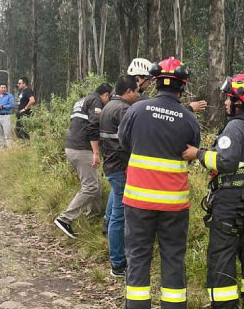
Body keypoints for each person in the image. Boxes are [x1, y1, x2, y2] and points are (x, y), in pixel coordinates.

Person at [182, 74, 244, 309]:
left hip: (232, 199)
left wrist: (198, 154)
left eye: (228, 98)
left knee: (221, 253)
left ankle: (224, 305)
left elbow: (225, 162)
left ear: (239, 101)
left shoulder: (236, 127)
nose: (225, 103)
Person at [118, 57, 201, 309]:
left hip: (138, 201)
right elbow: (193, 150)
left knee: (138, 257)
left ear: (155, 82)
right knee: (174, 258)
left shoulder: (136, 110)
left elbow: (124, 143)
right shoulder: (189, 119)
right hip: (173, 205)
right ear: (182, 86)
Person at [54, 82, 113, 239]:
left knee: (95, 184)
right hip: (82, 149)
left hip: (71, 147)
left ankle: (92, 217)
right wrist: (96, 152)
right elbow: (93, 126)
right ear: (106, 95)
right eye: (110, 98)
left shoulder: (82, 100)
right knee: (91, 186)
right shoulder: (96, 101)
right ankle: (65, 219)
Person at [100, 75, 140, 277]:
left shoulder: (109, 106)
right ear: (129, 91)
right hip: (120, 166)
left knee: (115, 208)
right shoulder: (124, 110)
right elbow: (133, 137)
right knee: (120, 215)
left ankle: (107, 233)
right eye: (137, 91)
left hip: (111, 164)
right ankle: (118, 263)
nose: (138, 95)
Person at [128, 57, 208, 112]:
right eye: (148, 79)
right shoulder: (138, 103)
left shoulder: (136, 107)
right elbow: (166, 118)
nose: (150, 82)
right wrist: (189, 109)